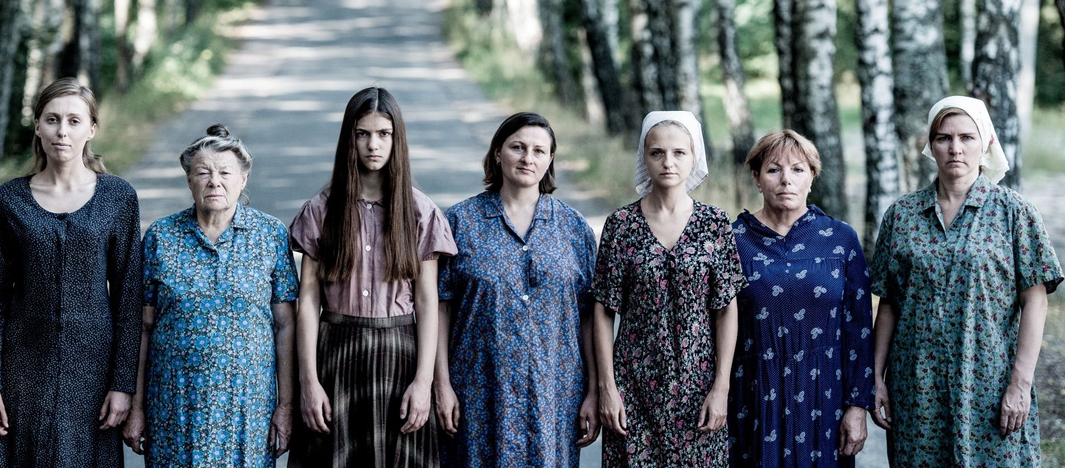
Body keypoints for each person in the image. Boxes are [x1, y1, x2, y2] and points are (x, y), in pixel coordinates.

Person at [870, 96, 1064, 466]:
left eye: (966, 137)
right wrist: (877, 377)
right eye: (943, 138)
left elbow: (1035, 300)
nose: (955, 148)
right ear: (931, 145)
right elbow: (890, 302)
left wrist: (1020, 383)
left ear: (987, 142)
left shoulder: (1014, 212)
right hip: (917, 387)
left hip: (990, 386)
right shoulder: (902, 215)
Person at [0, 79, 143, 467]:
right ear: (37, 126)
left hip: (93, 370)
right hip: (22, 368)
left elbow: (129, 299)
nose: (62, 131)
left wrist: (122, 385)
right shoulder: (9, 199)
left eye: (73, 120)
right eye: (52, 120)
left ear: (91, 129)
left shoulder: (118, 197)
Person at [287, 86, 457, 467]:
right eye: (362, 134)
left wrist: (423, 382)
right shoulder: (321, 210)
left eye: (384, 134)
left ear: (398, 139)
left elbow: (428, 302)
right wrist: (309, 383)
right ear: (349, 138)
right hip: (336, 356)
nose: (373, 145)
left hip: (400, 358)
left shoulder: (420, 212)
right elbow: (308, 301)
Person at [121, 125, 299, 467]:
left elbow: (286, 325)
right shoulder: (161, 237)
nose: (214, 181)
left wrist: (286, 406)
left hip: (248, 408)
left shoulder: (270, 236)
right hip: (174, 405)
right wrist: (137, 407)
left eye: (225, 173)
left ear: (243, 180)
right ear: (189, 180)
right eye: (203, 172)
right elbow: (143, 328)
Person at [434, 112, 599, 466]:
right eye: (518, 147)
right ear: (497, 153)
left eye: (539, 151)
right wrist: (441, 384)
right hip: (478, 392)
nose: (528, 158)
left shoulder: (573, 228)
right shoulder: (460, 222)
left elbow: (588, 316)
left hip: (554, 393)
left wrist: (593, 391)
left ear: (550, 160)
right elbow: (439, 308)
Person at [593, 111, 745, 467]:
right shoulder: (622, 225)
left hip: (699, 386)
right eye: (657, 152)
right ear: (644, 158)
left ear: (694, 157)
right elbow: (602, 311)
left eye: (679, 153)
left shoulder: (714, 223)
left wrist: (720, 387)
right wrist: (607, 388)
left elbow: (726, 308)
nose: (668, 162)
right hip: (634, 386)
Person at [726, 130, 874, 467]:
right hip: (753, 394)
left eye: (798, 169)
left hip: (825, 396)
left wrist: (857, 406)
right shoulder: (733, 241)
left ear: (812, 178)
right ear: (757, 179)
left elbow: (860, 331)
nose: (786, 180)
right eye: (774, 170)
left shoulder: (840, 240)